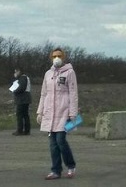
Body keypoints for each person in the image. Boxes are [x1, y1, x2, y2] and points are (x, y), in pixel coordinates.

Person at [36, 48, 79, 180]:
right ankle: (56, 170)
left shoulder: (69, 72)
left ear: (63, 57)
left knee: (61, 140)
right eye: (54, 56)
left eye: (59, 56)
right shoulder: (48, 74)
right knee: (53, 144)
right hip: (50, 113)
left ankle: (71, 166)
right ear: (51, 58)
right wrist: (40, 111)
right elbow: (44, 94)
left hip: (64, 112)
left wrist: (73, 113)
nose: (57, 58)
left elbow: (73, 93)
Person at [11, 68, 32, 136]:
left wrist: (14, 91)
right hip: (26, 98)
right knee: (25, 115)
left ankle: (20, 130)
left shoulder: (23, 78)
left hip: (22, 99)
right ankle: (26, 130)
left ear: (19, 72)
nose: (15, 73)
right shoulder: (25, 78)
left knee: (19, 115)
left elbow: (21, 88)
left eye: (16, 72)